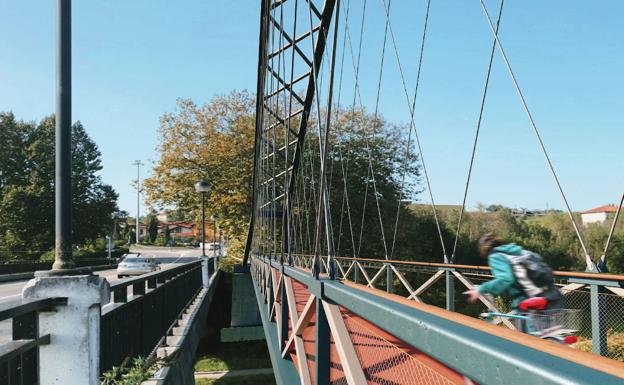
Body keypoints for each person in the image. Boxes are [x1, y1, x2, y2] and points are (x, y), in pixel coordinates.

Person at [465, 234, 563, 311]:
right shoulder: (518, 251)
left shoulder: (495, 256)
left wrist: (481, 289)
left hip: (533, 299)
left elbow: (505, 278)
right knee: (546, 333)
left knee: (523, 333)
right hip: (553, 295)